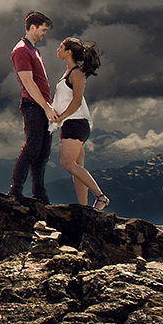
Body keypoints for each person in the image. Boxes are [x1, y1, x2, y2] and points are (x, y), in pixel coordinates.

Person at [51, 37, 108, 211]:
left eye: (61, 46)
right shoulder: (69, 73)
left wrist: (60, 118)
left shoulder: (76, 74)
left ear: (68, 52)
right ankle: (84, 208)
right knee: (77, 167)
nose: (57, 49)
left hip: (75, 123)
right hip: (72, 123)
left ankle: (100, 197)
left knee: (68, 163)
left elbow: (76, 102)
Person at [5, 11, 54, 202]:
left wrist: (47, 107)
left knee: (43, 152)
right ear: (32, 27)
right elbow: (28, 83)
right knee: (32, 147)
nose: (44, 33)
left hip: (41, 106)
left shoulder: (34, 50)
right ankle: (15, 189)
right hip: (33, 105)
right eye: (43, 29)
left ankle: (39, 193)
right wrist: (45, 106)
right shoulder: (21, 50)